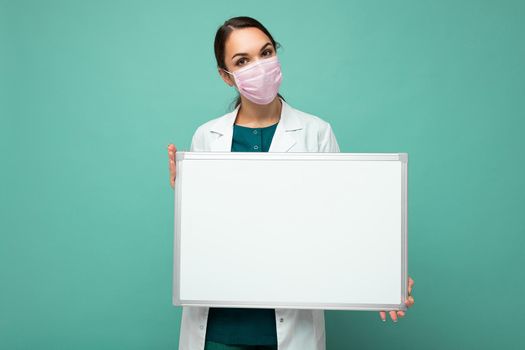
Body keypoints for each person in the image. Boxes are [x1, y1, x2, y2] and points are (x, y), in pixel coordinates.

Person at [167, 16, 415, 350]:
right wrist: (185, 196)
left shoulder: (316, 133)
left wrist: (385, 275)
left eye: (265, 52)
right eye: (242, 61)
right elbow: (208, 236)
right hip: (217, 331)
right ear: (226, 77)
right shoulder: (206, 137)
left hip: (289, 330)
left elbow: (342, 224)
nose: (259, 66)